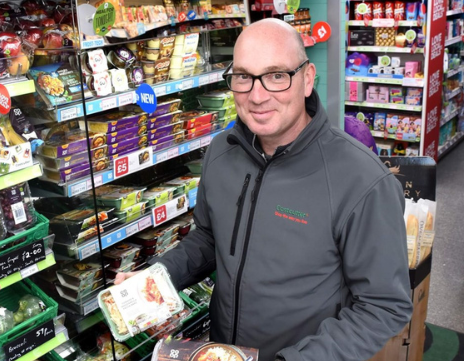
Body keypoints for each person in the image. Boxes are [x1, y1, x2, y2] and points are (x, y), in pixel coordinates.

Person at [116, 18, 413, 361]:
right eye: (243, 77)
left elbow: (383, 306)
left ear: (307, 79)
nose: (257, 96)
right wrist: (156, 280)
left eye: (276, 76)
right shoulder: (221, 152)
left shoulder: (362, 180)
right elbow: (209, 239)